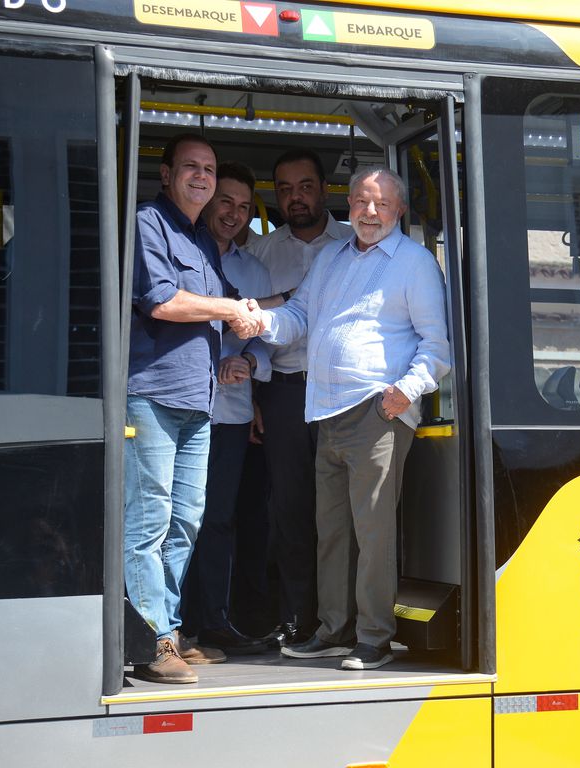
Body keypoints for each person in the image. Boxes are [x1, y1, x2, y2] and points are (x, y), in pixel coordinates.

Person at [247, 166, 450, 671]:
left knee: (374, 530)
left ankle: (375, 637)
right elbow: (299, 316)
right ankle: (334, 629)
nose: (370, 212)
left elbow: (437, 345)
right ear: (349, 206)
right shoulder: (332, 258)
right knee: (333, 530)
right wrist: (259, 321)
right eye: (361, 202)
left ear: (398, 210)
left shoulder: (415, 262)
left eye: (381, 203)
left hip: (377, 411)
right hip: (326, 411)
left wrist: (405, 392)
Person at [125, 133, 260, 684]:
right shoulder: (147, 224)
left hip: (197, 402)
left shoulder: (202, 241)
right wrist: (232, 309)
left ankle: (171, 632)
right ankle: (150, 639)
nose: (202, 178)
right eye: (192, 168)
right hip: (152, 395)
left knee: (186, 522)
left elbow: (228, 306)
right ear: (166, 174)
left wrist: (259, 318)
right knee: (150, 521)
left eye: (208, 169)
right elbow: (162, 300)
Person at [247, 149, 351, 646]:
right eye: (285, 189)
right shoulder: (262, 254)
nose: (296, 197)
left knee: (344, 512)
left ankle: (343, 619)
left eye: (305, 186)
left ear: (325, 190)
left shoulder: (356, 243)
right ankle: (297, 617)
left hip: (344, 397)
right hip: (284, 396)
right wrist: (252, 400)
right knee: (288, 510)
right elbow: (247, 335)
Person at [182, 162, 273, 655]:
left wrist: (249, 361)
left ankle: (212, 622)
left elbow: (267, 341)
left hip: (231, 415)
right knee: (176, 518)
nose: (234, 214)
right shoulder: (181, 253)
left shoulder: (254, 270)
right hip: (178, 405)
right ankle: (169, 629)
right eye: (226, 202)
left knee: (218, 518)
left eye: (243, 206)